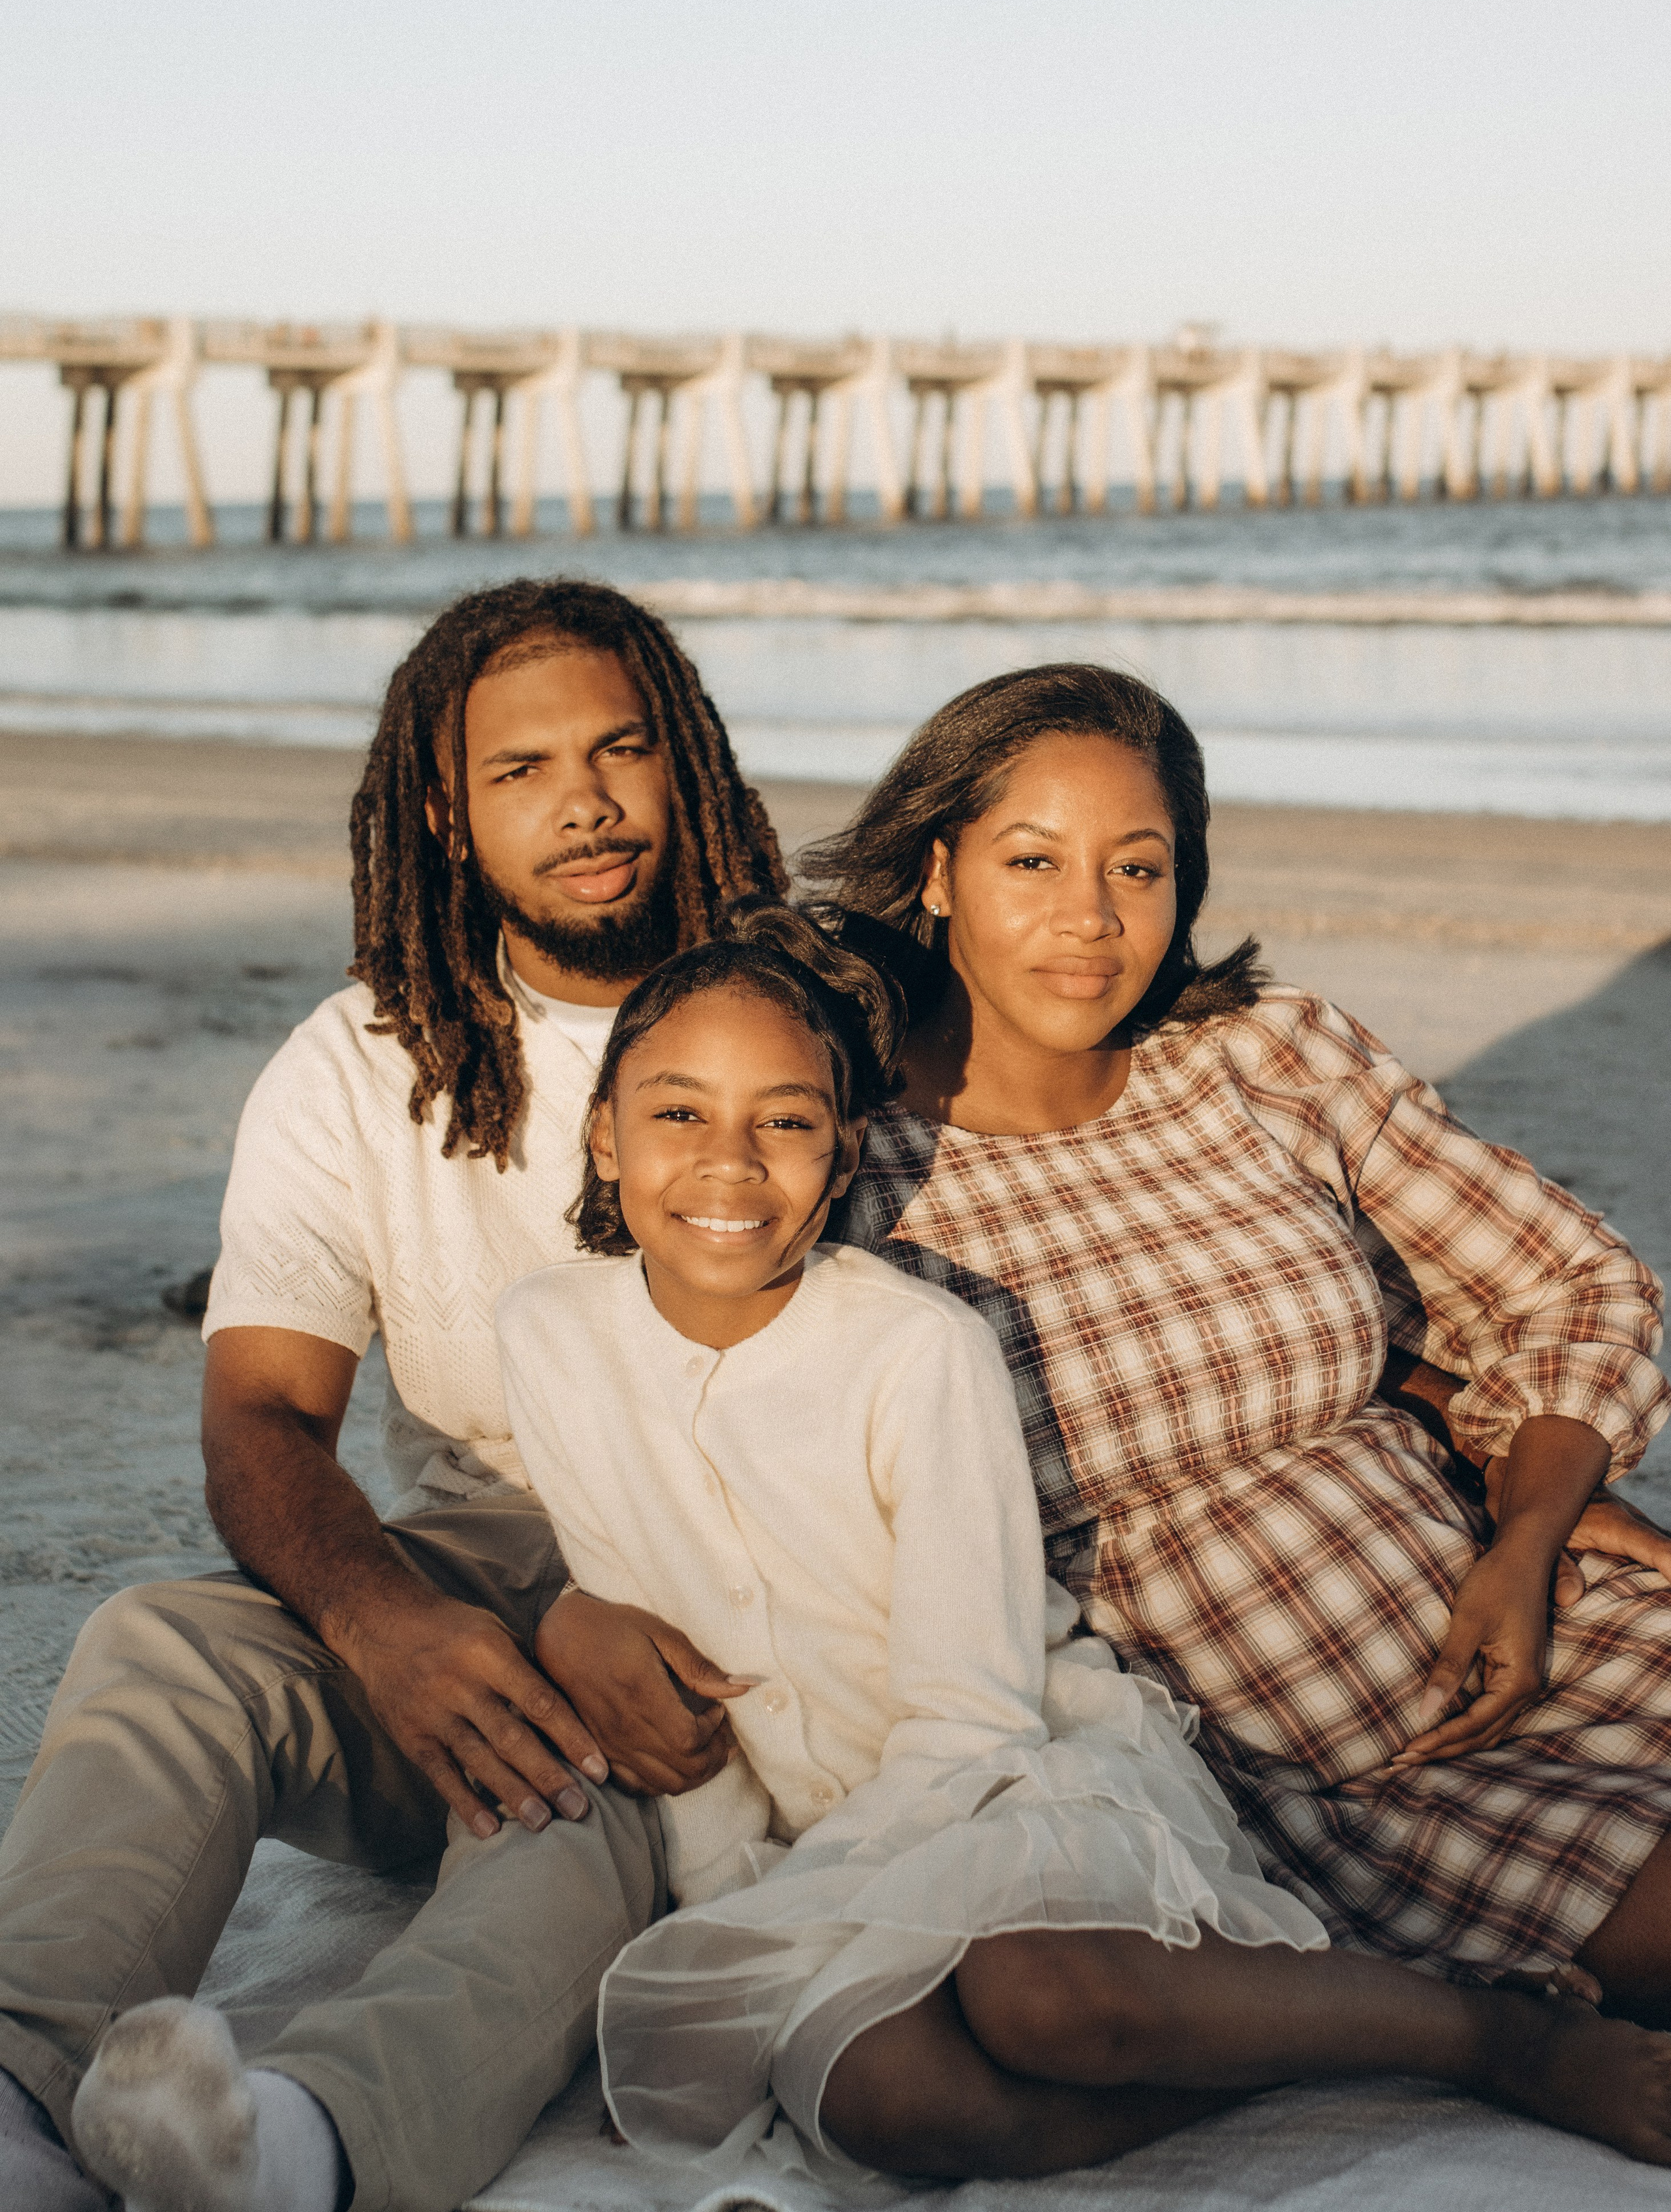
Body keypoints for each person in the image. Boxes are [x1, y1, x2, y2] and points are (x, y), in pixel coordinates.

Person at [402, 909, 1671, 2179]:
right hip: (821, 1841)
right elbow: (663, 1691)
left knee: (1041, 1998)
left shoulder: (915, 1347)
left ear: (843, 1158)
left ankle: (1482, 2037)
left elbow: (974, 1719)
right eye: (677, 1114)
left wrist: (765, 1929)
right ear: (602, 1133)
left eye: (784, 1121)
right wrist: (729, 1923)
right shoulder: (548, 1332)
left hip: (1022, 1775)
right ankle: (1306, 2046)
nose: (728, 1163)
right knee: (889, 2104)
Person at [0, 579, 788, 2212]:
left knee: (577, 1803)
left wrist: (596, 1608)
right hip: (462, 1573)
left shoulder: (799, 1023)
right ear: (444, 807)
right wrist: (383, 1620)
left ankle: (305, 2146)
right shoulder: (359, 1065)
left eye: (619, 750)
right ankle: (17, 2085)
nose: (582, 803)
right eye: (519, 771)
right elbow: (263, 1421)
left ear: (683, 761)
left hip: (730, 1602)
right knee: (162, 1638)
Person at [794, 660, 1671, 2017]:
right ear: (933, 868)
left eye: (1136, 870)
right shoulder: (842, 1170)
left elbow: (1573, 1283)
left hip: (1522, 1615)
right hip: (1305, 1764)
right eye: (1032, 860)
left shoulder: (1262, 1059)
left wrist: (1532, 1518)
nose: (1088, 920)